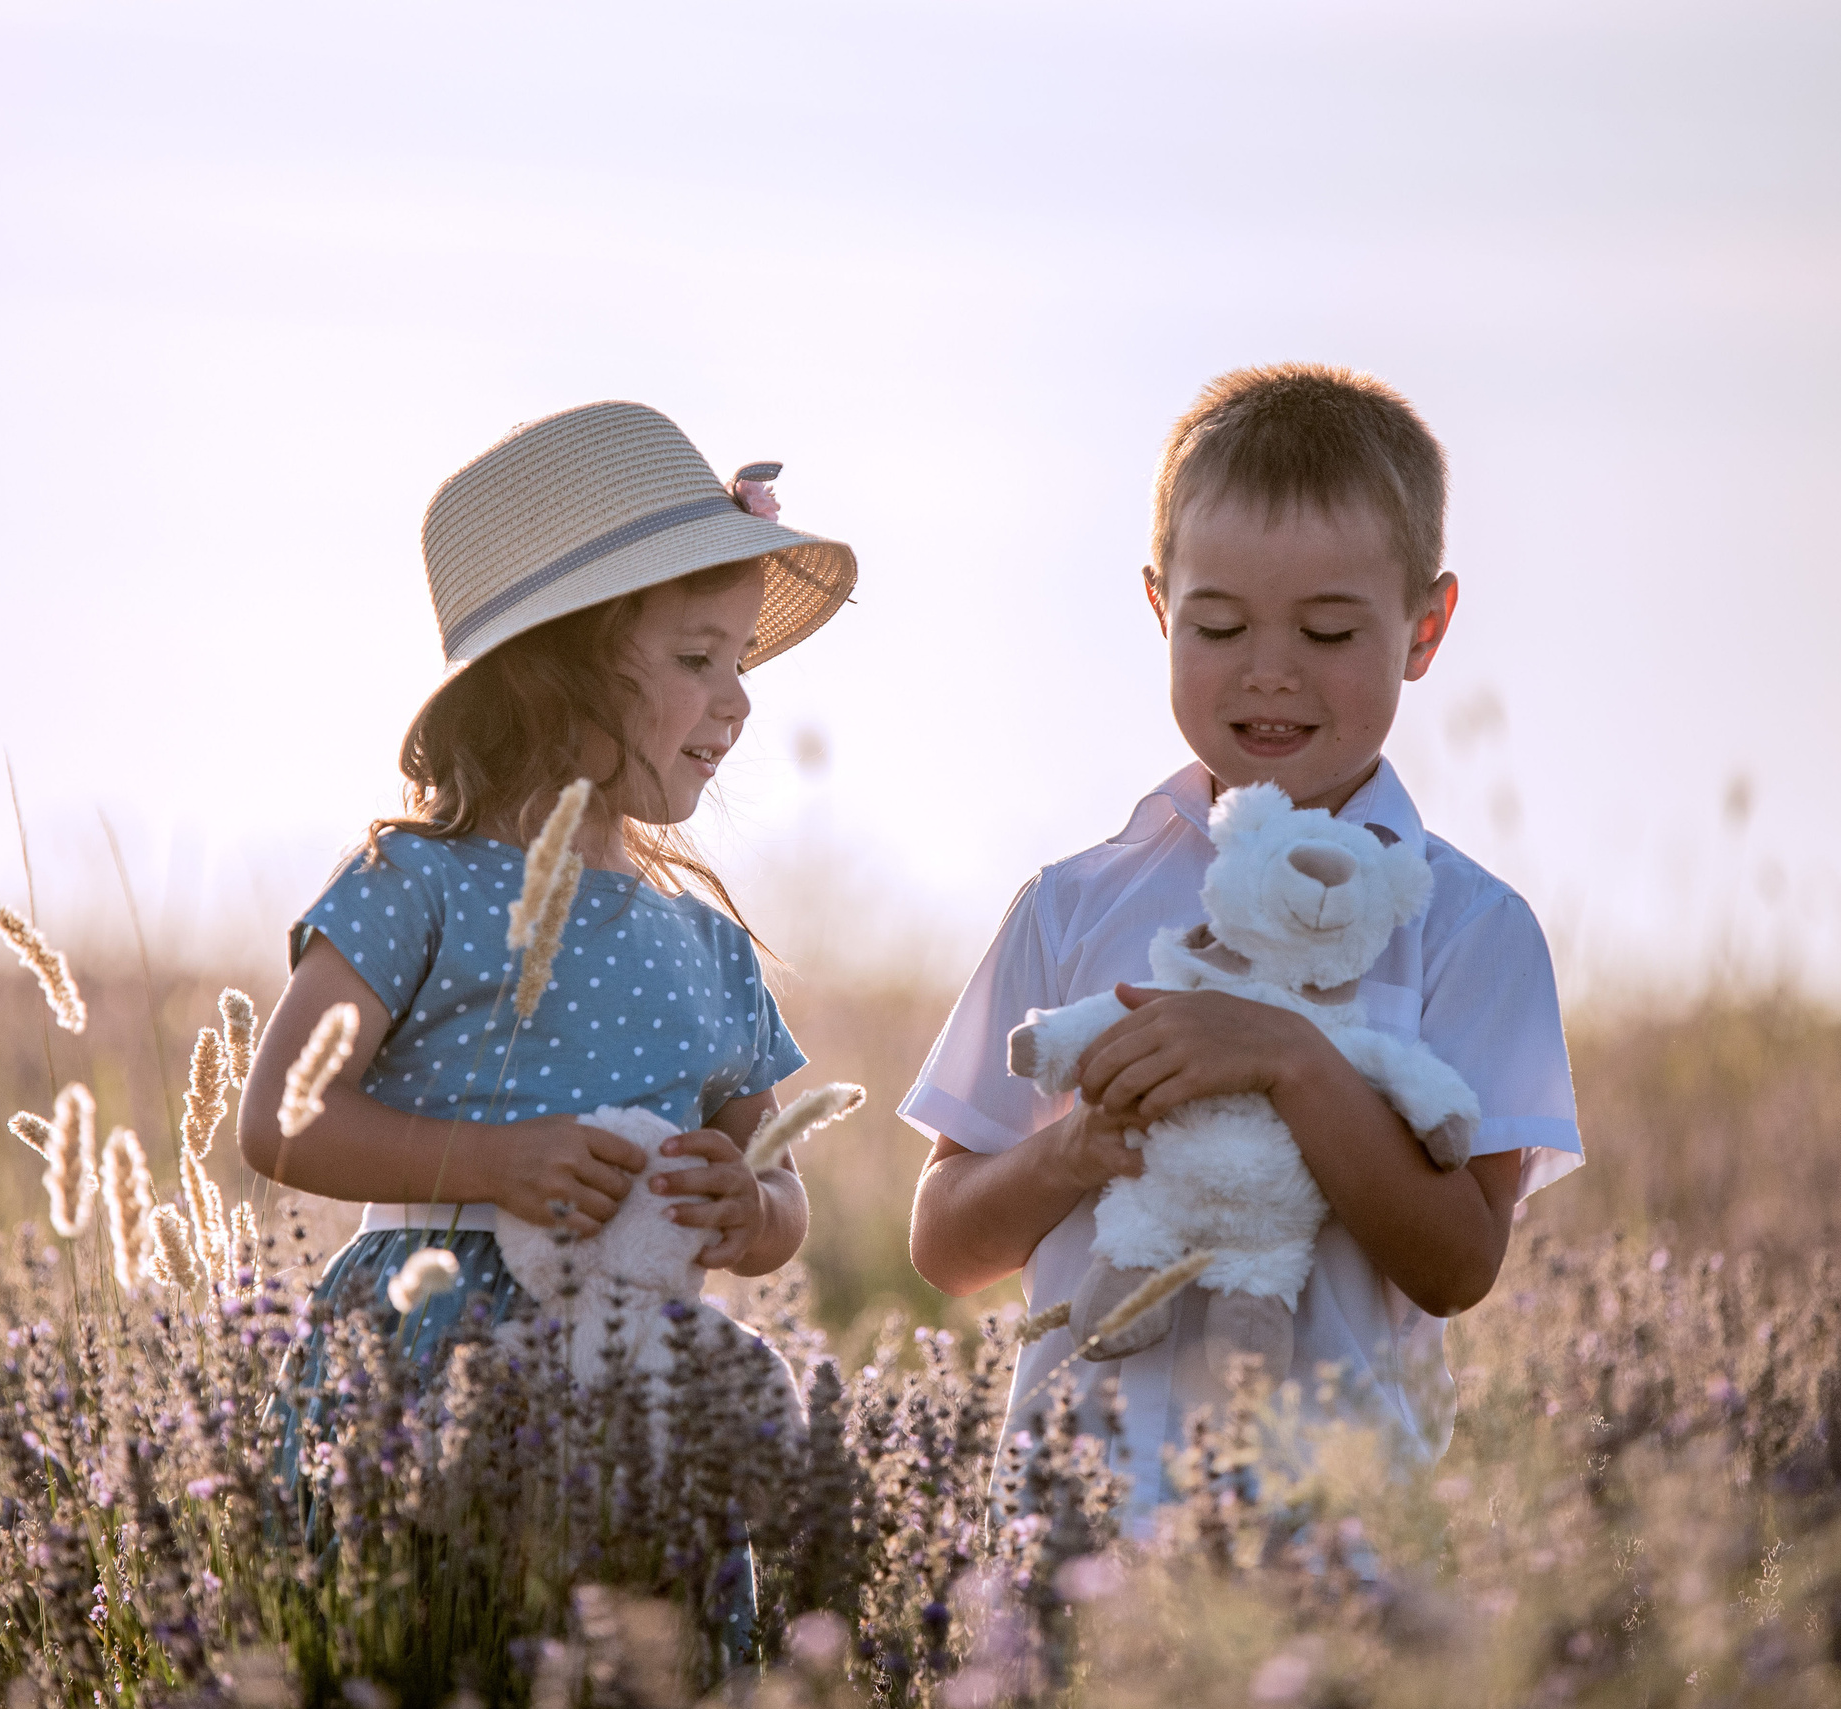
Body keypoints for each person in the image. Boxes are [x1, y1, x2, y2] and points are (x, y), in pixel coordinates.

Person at [903, 363, 1582, 1514]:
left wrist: (1286, 1056)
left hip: (1329, 1533)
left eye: (1327, 629)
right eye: (1219, 623)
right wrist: (1071, 1154)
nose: (1269, 668)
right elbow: (945, 1243)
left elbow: (1457, 1261)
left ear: (1425, 627)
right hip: (1080, 1514)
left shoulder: (1473, 928)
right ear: (1160, 605)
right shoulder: (1069, 902)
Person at [235, 398, 855, 1468]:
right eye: (697, 656)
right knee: (443, 1614)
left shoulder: (709, 946)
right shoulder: (414, 884)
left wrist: (748, 1206)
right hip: (430, 1368)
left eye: (741, 655)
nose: (738, 699)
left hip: (640, 1387)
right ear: (550, 670)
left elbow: (779, 1186)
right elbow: (281, 1117)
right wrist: (491, 1162)